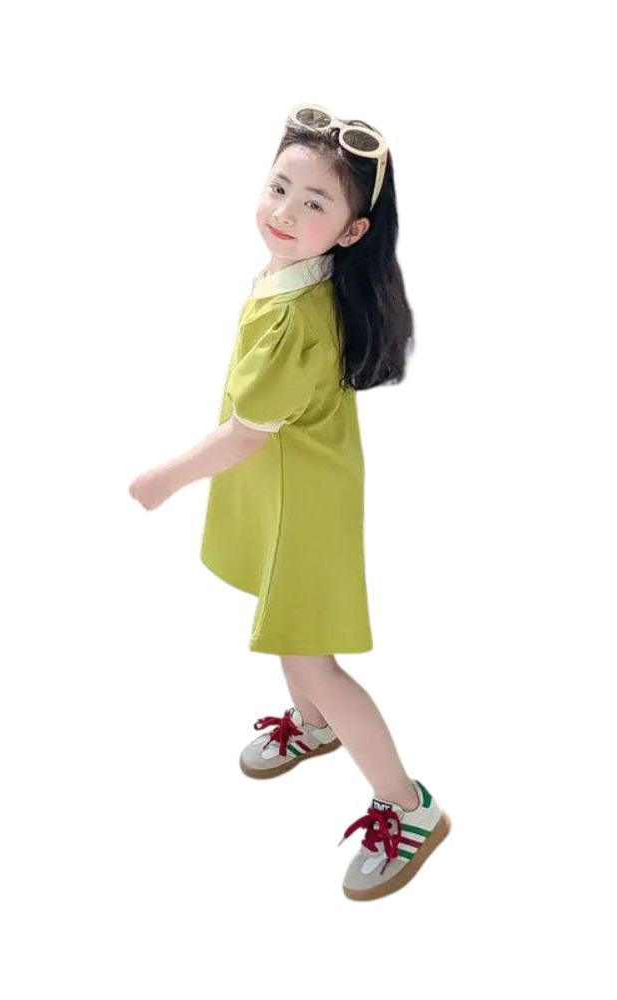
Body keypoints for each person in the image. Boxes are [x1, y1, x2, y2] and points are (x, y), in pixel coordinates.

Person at [128, 104, 450, 901]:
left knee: (312, 656)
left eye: (313, 203)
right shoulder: (296, 279)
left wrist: (162, 479)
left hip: (302, 499)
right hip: (291, 481)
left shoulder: (296, 318)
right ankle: (312, 726)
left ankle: (409, 806)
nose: (284, 212)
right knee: (282, 623)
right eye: (279, 187)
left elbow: (244, 434)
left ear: (351, 231)